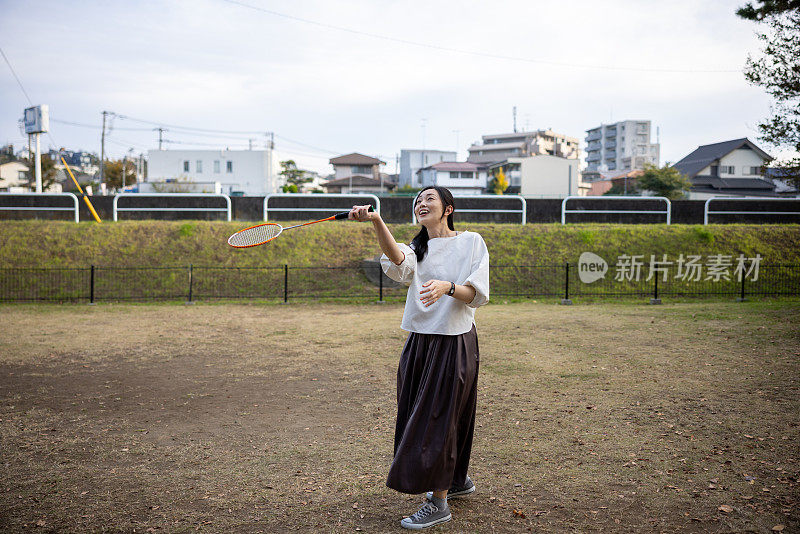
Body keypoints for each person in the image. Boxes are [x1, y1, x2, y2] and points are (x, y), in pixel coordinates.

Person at [349, 186, 489, 530]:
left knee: (439, 419)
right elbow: (397, 259)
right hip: (420, 344)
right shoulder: (416, 249)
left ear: (448, 208)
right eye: (417, 201)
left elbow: (476, 295)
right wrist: (377, 221)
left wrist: (448, 287)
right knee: (420, 413)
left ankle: (439, 503)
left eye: (429, 199)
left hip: (454, 343)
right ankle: (456, 480)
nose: (421, 204)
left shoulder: (472, 242)